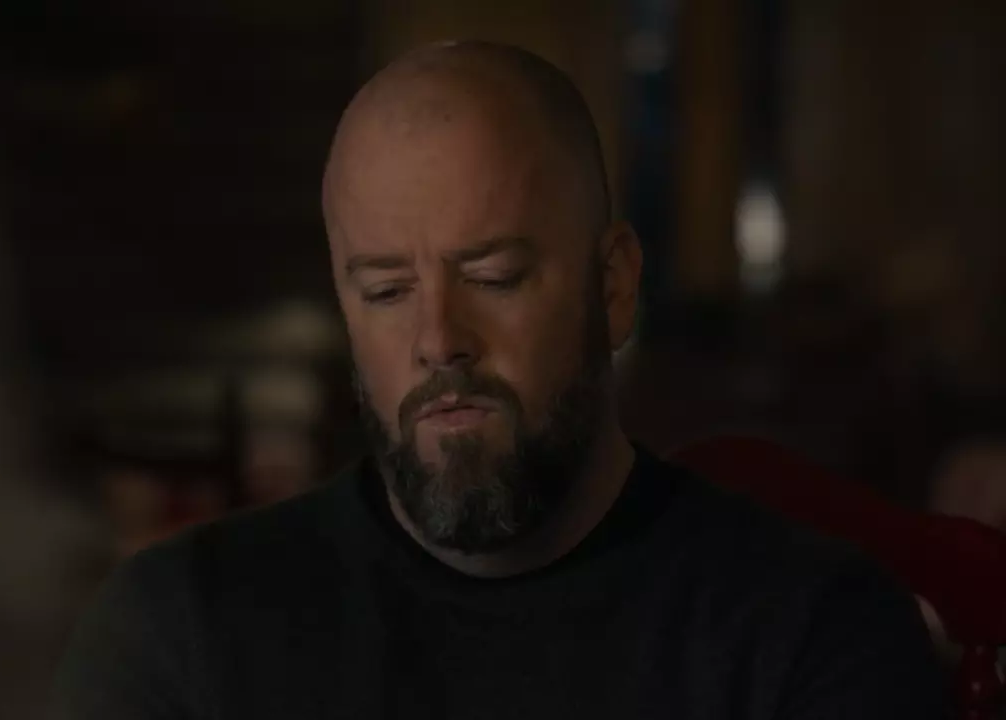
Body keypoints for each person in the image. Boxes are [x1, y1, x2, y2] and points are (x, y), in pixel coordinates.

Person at [53, 42, 947, 719]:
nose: (439, 341)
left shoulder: (810, 629)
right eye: (387, 291)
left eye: (494, 277)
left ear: (613, 287)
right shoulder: (182, 635)